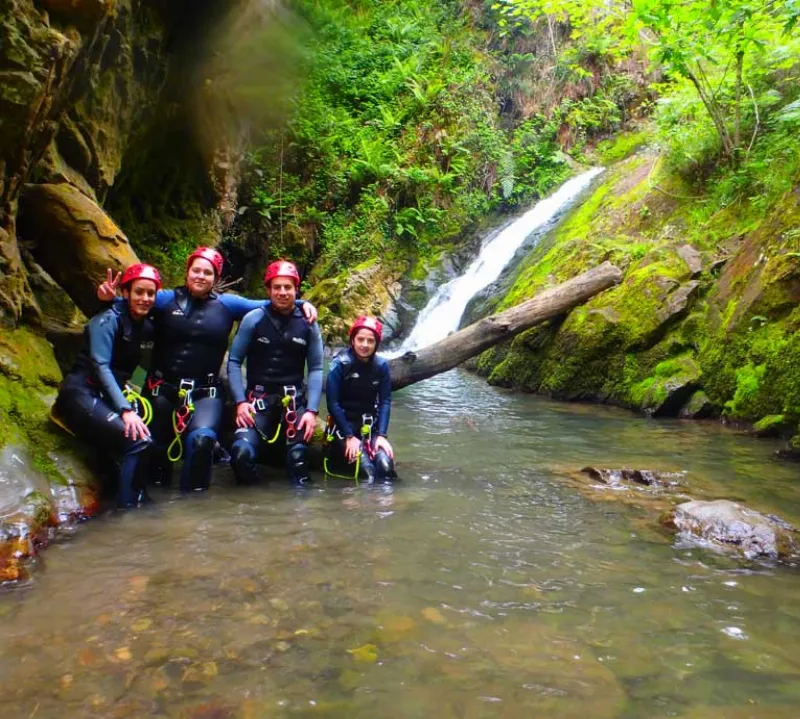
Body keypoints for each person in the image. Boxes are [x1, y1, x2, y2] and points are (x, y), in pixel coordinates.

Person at [97, 247, 317, 493]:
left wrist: (302, 302)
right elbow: (136, 302)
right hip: (161, 388)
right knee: (155, 453)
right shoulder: (164, 299)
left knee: (201, 441)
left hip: (205, 392)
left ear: (216, 278)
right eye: (196, 270)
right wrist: (110, 299)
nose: (201, 276)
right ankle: (150, 504)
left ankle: (193, 506)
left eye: (208, 272)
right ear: (187, 272)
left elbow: (272, 302)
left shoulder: (228, 305)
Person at [53, 264, 161, 508]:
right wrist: (126, 410)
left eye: (150, 294)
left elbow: (137, 369)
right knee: (139, 441)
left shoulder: (145, 327)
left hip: (105, 395)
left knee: (149, 442)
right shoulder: (108, 319)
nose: (145, 299)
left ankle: (137, 499)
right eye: (138, 292)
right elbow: (101, 366)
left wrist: (133, 398)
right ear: (125, 293)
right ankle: (128, 511)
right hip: (81, 392)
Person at [227, 260, 324, 486]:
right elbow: (233, 361)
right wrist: (240, 402)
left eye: (288, 287)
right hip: (257, 402)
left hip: (293, 403)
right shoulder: (254, 319)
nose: (282, 292)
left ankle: (299, 517)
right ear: (268, 290)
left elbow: (317, 368)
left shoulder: (308, 323)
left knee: (299, 461)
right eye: (277, 287)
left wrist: (311, 411)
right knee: (240, 456)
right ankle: (257, 511)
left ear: (296, 289)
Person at [324, 316, 396, 484]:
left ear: (376, 344)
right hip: (343, 429)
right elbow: (332, 404)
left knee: (385, 468)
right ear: (353, 340)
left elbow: (385, 401)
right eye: (360, 339)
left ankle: (386, 507)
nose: (365, 345)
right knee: (367, 473)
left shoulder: (381, 366)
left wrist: (381, 435)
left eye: (370, 341)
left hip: (370, 428)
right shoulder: (340, 364)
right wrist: (349, 436)